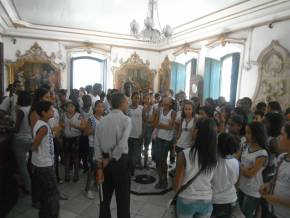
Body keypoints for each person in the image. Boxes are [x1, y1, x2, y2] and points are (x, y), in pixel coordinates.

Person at [94, 92, 131, 218]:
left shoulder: (102, 121)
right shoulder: (126, 120)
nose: (128, 104)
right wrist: (110, 159)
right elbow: (121, 145)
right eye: (126, 101)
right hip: (119, 162)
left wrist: (99, 166)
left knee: (104, 198)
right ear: (122, 104)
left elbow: (96, 145)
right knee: (123, 200)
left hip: (104, 162)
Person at [174, 118, 218, 218]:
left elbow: (176, 186)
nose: (191, 131)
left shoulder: (184, 154)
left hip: (187, 199)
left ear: (197, 132)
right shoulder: (215, 156)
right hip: (206, 200)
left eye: (193, 128)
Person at [31, 101, 59, 218]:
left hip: (39, 162)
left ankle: (44, 213)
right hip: (44, 165)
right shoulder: (43, 127)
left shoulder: (40, 123)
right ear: (43, 112)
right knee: (52, 194)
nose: (53, 111)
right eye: (51, 110)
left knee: (45, 193)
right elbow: (34, 145)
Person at [238, 122, 268, 218]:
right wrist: (244, 167)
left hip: (252, 190)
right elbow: (236, 159)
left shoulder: (262, 153)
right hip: (242, 186)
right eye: (246, 132)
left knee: (246, 215)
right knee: (238, 213)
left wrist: (241, 166)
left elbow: (250, 174)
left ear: (257, 134)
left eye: (249, 133)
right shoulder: (246, 146)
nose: (246, 135)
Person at [260, 122, 290, 218]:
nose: (278, 138)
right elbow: (277, 178)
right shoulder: (281, 157)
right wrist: (268, 185)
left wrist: (278, 200)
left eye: (282, 134)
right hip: (273, 210)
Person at [212, 133, 240, 218]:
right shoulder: (236, 162)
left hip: (215, 201)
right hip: (231, 200)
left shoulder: (212, 162)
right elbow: (236, 183)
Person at [12, 91, 32, 194]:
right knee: (27, 164)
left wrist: (5, 128)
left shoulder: (21, 110)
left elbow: (16, 129)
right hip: (29, 138)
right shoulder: (31, 109)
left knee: (22, 166)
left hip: (20, 139)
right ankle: (28, 184)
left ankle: (28, 188)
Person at [83, 100, 104, 199]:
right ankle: (87, 190)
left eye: (102, 107)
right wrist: (96, 130)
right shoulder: (91, 119)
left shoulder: (103, 118)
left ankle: (96, 185)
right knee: (92, 168)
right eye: (98, 106)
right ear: (95, 108)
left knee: (98, 166)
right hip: (92, 146)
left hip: (100, 146)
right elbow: (86, 132)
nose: (100, 108)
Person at [154, 97, 176, 189]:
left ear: (171, 103)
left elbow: (170, 127)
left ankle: (164, 180)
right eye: (164, 101)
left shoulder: (173, 113)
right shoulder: (159, 110)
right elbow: (155, 124)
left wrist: (161, 125)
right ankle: (160, 179)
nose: (164, 103)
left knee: (163, 160)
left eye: (167, 101)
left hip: (167, 139)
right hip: (159, 138)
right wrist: (165, 125)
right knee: (158, 160)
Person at [62, 100, 85, 182]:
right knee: (67, 156)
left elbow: (83, 127)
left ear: (75, 107)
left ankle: (76, 174)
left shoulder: (79, 116)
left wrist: (75, 126)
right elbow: (60, 125)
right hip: (66, 138)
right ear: (66, 108)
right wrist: (62, 126)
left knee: (76, 157)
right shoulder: (63, 115)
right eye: (68, 106)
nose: (70, 108)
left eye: (72, 106)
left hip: (76, 138)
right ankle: (67, 173)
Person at [127, 92, 143, 176]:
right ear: (131, 98)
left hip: (138, 136)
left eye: (138, 98)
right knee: (128, 155)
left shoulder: (141, 108)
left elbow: (144, 121)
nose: (137, 99)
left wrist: (142, 133)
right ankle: (129, 171)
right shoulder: (127, 109)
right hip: (128, 136)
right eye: (135, 98)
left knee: (135, 156)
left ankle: (132, 171)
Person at [80, 95, 93, 173]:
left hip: (91, 132)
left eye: (90, 100)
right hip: (83, 132)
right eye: (87, 100)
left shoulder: (92, 109)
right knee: (84, 151)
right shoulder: (80, 110)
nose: (89, 102)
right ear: (84, 101)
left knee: (90, 150)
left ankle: (90, 165)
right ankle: (85, 166)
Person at [142, 93, 154, 168]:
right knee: (140, 145)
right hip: (141, 128)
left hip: (149, 129)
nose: (147, 100)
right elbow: (142, 119)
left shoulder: (153, 108)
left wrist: (147, 121)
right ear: (143, 99)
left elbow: (152, 120)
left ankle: (145, 163)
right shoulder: (141, 107)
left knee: (146, 146)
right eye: (146, 98)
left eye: (149, 99)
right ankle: (139, 162)